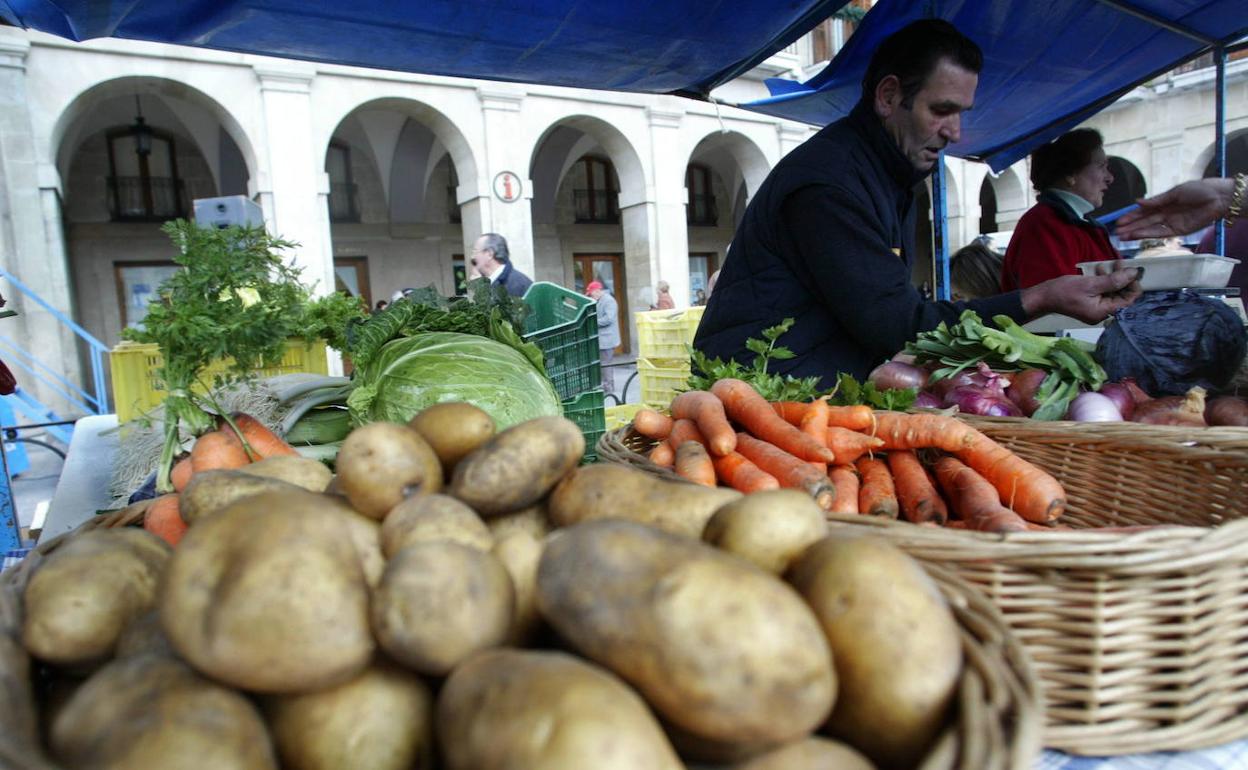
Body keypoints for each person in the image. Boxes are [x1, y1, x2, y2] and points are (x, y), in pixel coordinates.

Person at [692, 19, 1142, 384]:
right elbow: (899, 324)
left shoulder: (891, 172)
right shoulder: (829, 185)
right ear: (889, 96)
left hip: (813, 388)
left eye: (961, 113)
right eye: (942, 110)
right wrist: (1043, 296)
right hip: (759, 395)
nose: (955, 132)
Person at [999, 129, 1119, 291]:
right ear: (1070, 174)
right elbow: (1051, 307)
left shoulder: (1076, 225)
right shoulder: (1044, 226)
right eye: (1101, 167)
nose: (1109, 178)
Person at [471, 233, 532, 297]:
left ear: (489, 254)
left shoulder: (517, 284)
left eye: (475, 252)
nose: (472, 257)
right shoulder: (491, 282)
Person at [586, 280, 619, 396]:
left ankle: (609, 388)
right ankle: (605, 386)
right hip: (602, 340)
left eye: (592, 293)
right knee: (603, 364)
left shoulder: (609, 301)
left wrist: (592, 321)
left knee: (606, 364)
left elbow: (609, 319)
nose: (591, 295)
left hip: (607, 340)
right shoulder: (599, 300)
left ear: (598, 291)